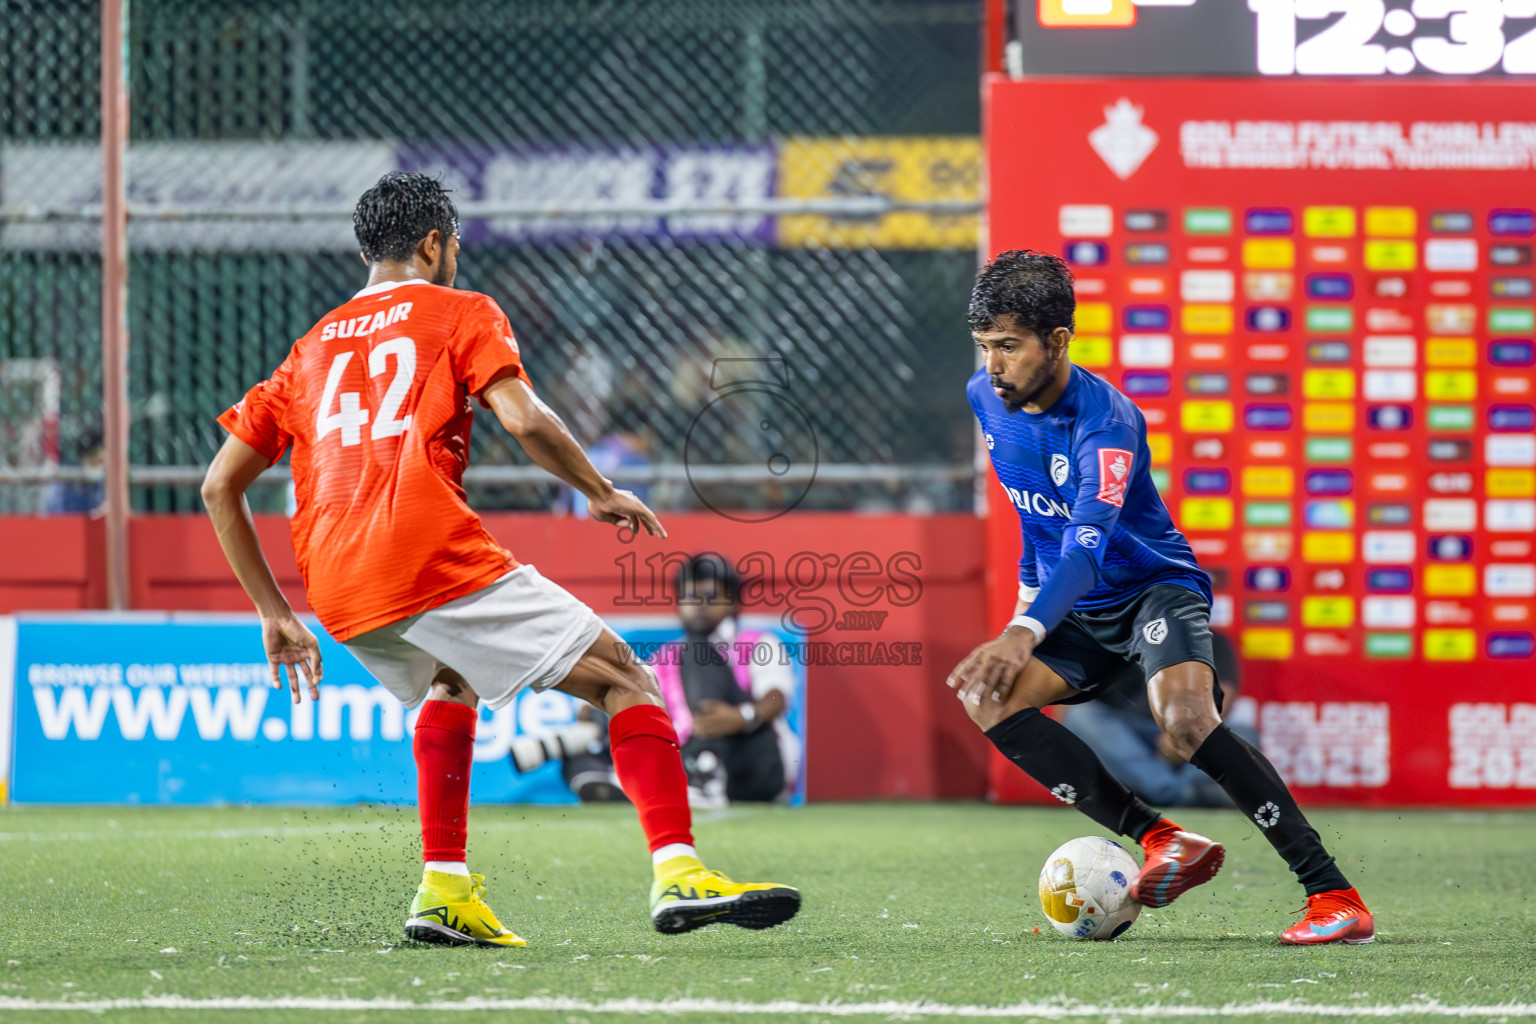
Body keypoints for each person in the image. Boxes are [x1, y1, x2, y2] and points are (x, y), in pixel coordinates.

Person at [201, 171, 800, 947]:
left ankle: (444, 890)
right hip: (424, 554)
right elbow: (524, 417)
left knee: (454, 679)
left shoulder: (308, 349)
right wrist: (597, 487)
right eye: (451, 245)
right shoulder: (461, 311)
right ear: (433, 243)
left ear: (364, 251)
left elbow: (220, 486)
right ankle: (679, 870)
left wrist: (274, 612)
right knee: (626, 677)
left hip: (337, 583)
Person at [948, 249, 1373, 946]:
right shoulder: (985, 399)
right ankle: (1160, 837)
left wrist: (1024, 629)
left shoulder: (1108, 424)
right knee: (986, 698)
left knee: (1184, 721)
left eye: (1008, 347)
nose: (993, 367)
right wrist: (1025, 615)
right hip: (1077, 615)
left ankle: (1332, 893)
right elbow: (1037, 522)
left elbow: (1086, 548)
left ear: (1058, 340)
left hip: (1152, 592)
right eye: (984, 347)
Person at [650, 555, 800, 805]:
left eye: (710, 597)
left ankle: (707, 764)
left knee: (698, 647)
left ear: (731, 602)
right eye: (690, 596)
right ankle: (701, 767)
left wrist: (742, 716)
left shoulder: (760, 644)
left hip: (756, 763)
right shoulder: (663, 659)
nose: (699, 605)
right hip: (687, 759)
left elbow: (777, 698)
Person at [1063, 630, 1252, 808]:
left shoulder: (1210, 639)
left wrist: (1187, 734)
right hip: (1131, 736)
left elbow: (1223, 695)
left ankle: (1162, 790)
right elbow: (1071, 693)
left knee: (1244, 734)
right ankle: (1178, 792)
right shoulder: (1115, 638)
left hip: (1190, 731)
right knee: (1081, 716)